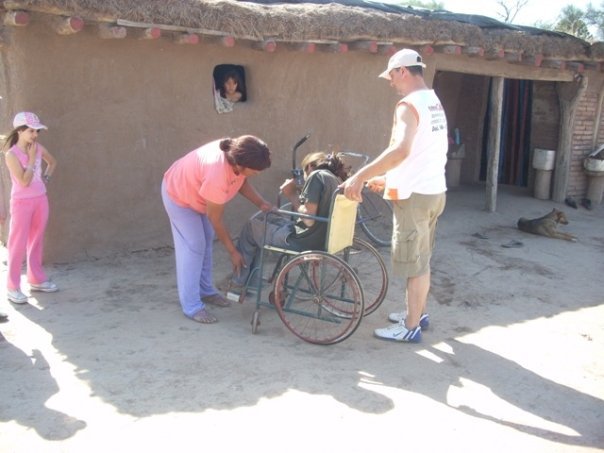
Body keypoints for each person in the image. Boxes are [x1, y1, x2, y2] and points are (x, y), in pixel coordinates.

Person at [340, 49, 448, 343]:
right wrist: (389, 179)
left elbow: (401, 150)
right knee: (422, 258)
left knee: (415, 265)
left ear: (403, 71)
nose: (390, 82)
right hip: (433, 191)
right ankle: (418, 314)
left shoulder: (408, 105)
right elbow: (424, 152)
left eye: (391, 75)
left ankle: (410, 327)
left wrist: (360, 176)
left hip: (415, 197)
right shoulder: (432, 101)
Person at [161, 135, 272, 324]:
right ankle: (192, 306)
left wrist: (261, 203)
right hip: (179, 196)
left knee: (206, 239)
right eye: (255, 171)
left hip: (197, 196)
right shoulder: (217, 174)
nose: (257, 174)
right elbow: (216, 218)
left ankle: (206, 291)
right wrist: (233, 252)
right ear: (240, 165)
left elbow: (241, 181)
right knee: (194, 245)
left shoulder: (236, 154)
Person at [219, 152, 349, 293]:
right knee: (266, 219)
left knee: (251, 228)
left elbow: (309, 219)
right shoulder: (334, 180)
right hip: (322, 239)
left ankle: (238, 282)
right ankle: (253, 281)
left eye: (304, 172)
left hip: (303, 241)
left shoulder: (316, 176)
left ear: (310, 167)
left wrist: (291, 194)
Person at [3, 112, 58, 305]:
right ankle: (12, 287)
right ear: (19, 131)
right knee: (17, 244)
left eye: (37, 131)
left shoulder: (38, 148)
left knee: (36, 240)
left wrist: (45, 179)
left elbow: (53, 162)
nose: (35, 135)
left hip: (40, 200)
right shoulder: (11, 155)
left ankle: (36, 279)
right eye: (31, 131)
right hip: (21, 203)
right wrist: (33, 158)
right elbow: (24, 181)